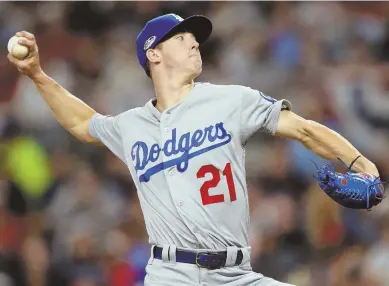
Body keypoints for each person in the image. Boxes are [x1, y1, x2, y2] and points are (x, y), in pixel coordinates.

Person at [8, 13, 381, 286]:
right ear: (153, 54)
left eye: (194, 37)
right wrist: (38, 75)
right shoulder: (131, 125)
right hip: (171, 274)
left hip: (237, 274)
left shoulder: (232, 100)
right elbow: (81, 123)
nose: (194, 41)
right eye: (182, 36)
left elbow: (303, 129)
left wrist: (362, 163)